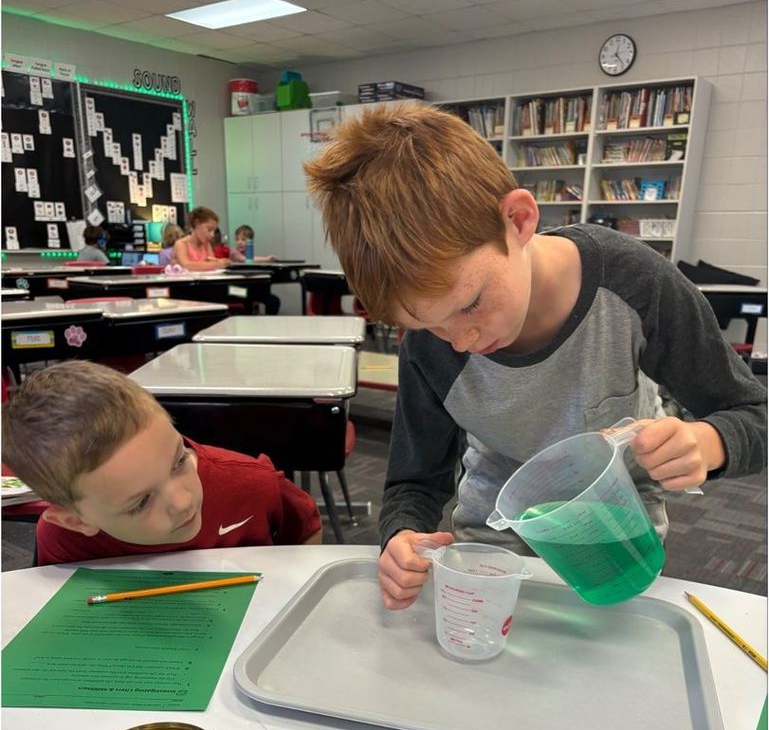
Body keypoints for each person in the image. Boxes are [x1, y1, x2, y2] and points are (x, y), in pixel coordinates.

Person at [304, 103, 767, 610]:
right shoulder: (430, 347)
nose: (461, 341)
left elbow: (755, 417)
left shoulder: (635, 283)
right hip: (493, 549)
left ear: (519, 220)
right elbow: (414, 478)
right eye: (429, 324)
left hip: (613, 544)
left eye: (470, 304)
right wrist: (401, 535)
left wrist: (708, 441)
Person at [2, 361, 322, 566]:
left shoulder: (251, 484)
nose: (183, 503)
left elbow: (306, 530)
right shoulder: (62, 541)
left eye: (179, 461)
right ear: (77, 521)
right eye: (141, 502)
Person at [172, 206, 228, 271]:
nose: (212, 235)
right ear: (197, 223)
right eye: (209, 230)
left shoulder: (206, 245)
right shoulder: (181, 244)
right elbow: (186, 265)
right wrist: (217, 264)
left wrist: (221, 262)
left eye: (214, 231)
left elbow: (212, 263)